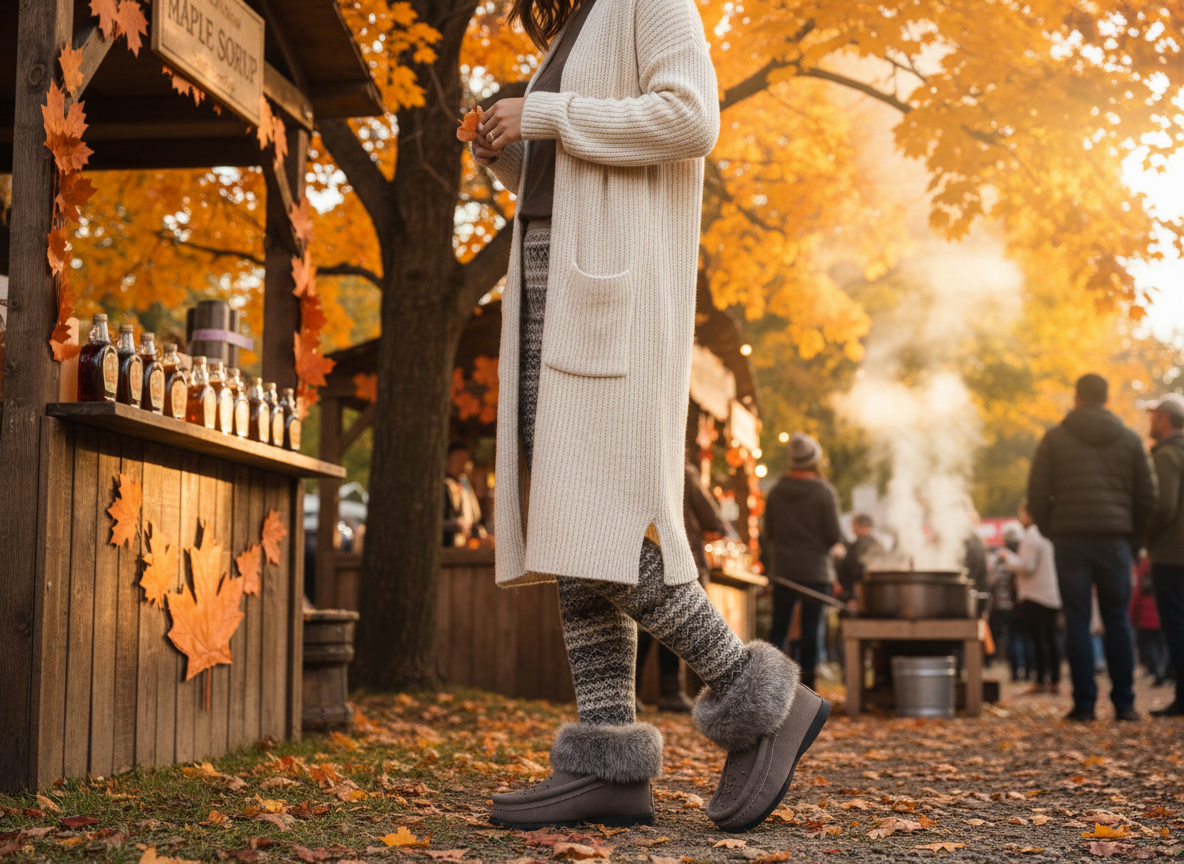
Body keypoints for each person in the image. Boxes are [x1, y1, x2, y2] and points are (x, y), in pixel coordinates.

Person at [471, 0, 829, 832]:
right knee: (573, 517)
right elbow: (576, 169)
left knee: (588, 512)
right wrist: (511, 148)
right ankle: (607, 760)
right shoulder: (577, 26)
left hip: (610, 304)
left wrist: (546, 112)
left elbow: (690, 119)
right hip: (556, 287)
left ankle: (751, 692)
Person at [1027, 373, 1157, 722]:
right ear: (1108, 399)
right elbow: (1147, 496)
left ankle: (1084, 705)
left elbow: (1037, 493)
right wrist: (1133, 537)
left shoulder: (1054, 440)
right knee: (1117, 620)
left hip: (1070, 539)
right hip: (1114, 539)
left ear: (1076, 398)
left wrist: (1051, 529)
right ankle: (1124, 704)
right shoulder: (1130, 441)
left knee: (1077, 620)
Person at [635, 463, 732, 713]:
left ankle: (632, 693)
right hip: (678, 555)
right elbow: (711, 519)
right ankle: (671, 692)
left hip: (639, 554)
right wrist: (719, 527)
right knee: (675, 624)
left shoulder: (635, 465)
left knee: (644, 624)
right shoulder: (683, 471)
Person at [763, 433, 844, 690]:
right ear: (815, 460)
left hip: (784, 569)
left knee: (779, 627)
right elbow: (833, 536)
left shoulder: (776, 491)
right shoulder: (824, 492)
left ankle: (771, 685)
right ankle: (808, 686)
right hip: (815, 572)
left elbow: (769, 533)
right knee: (811, 629)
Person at [1145, 393, 1184, 716]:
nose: (1149, 421)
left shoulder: (1167, 455)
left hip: (1172, 554)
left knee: (1175, 625)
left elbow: (1165, 505)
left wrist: (1146, 538)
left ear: (1163, 418)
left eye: (1152, 415)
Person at [1005, 502, 1062, 694]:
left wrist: (1008, 558)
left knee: (1039, 639)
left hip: (1035, 593)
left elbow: (1027, 566)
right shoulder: (1052, 532)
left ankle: (1040, 680)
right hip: (1053, 593)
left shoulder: (1031, 534)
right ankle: (1054, 679)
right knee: (1052, 638)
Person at [988, 527, 1025, 682]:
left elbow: (992, 581)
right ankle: (1021, 672)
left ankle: (991, 663)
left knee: (1003, 637)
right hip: (1014, 606)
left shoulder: (998, 560)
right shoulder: (1017, 558)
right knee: (1016, 638)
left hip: (1000, 606)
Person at [837, 513, 885, 603]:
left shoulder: (856, 546)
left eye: (853, 526)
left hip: (855, 595)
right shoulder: (879, 546)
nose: (853, 529)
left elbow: (848, 569)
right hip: (877, 595)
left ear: (859, 526)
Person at [443, 442, 483, 547]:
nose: (467, 463)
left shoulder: (464, 484)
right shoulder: (442, 485)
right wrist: (455, 524)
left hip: (464, 544)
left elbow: (475, 517)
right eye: (461, 459)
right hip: (447, 545)